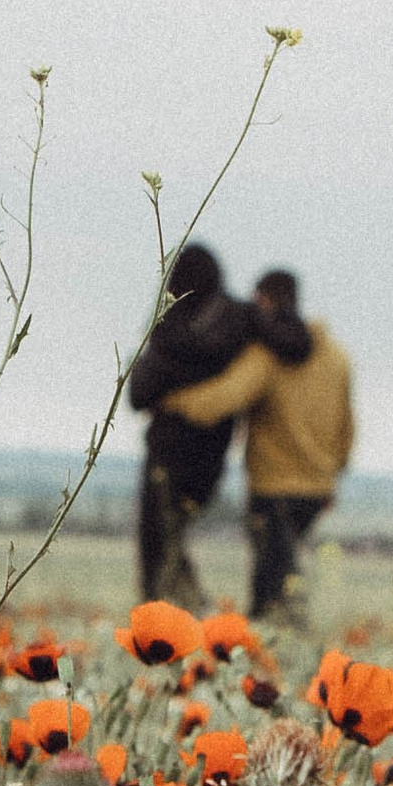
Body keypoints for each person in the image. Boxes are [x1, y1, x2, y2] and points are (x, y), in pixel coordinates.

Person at [164, 270, 355, 620]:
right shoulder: (337, 358)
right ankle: (277, 635)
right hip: (317, 489)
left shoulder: (268, 356)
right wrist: (332, 476)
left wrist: (170, 401)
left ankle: (272, 640)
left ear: (264, 301)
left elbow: (224, 399)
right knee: (282, 573)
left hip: (273, 487)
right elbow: (347, 427)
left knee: (271, 589)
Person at [125, 243, 260, 602]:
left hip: (168, 449)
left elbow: (138, 393)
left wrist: (170, 384)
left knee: (158, 541)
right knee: (170, 537)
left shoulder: (168, 328)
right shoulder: (241, 320)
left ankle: (170, 611)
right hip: (212, 454)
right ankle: (187, 608)